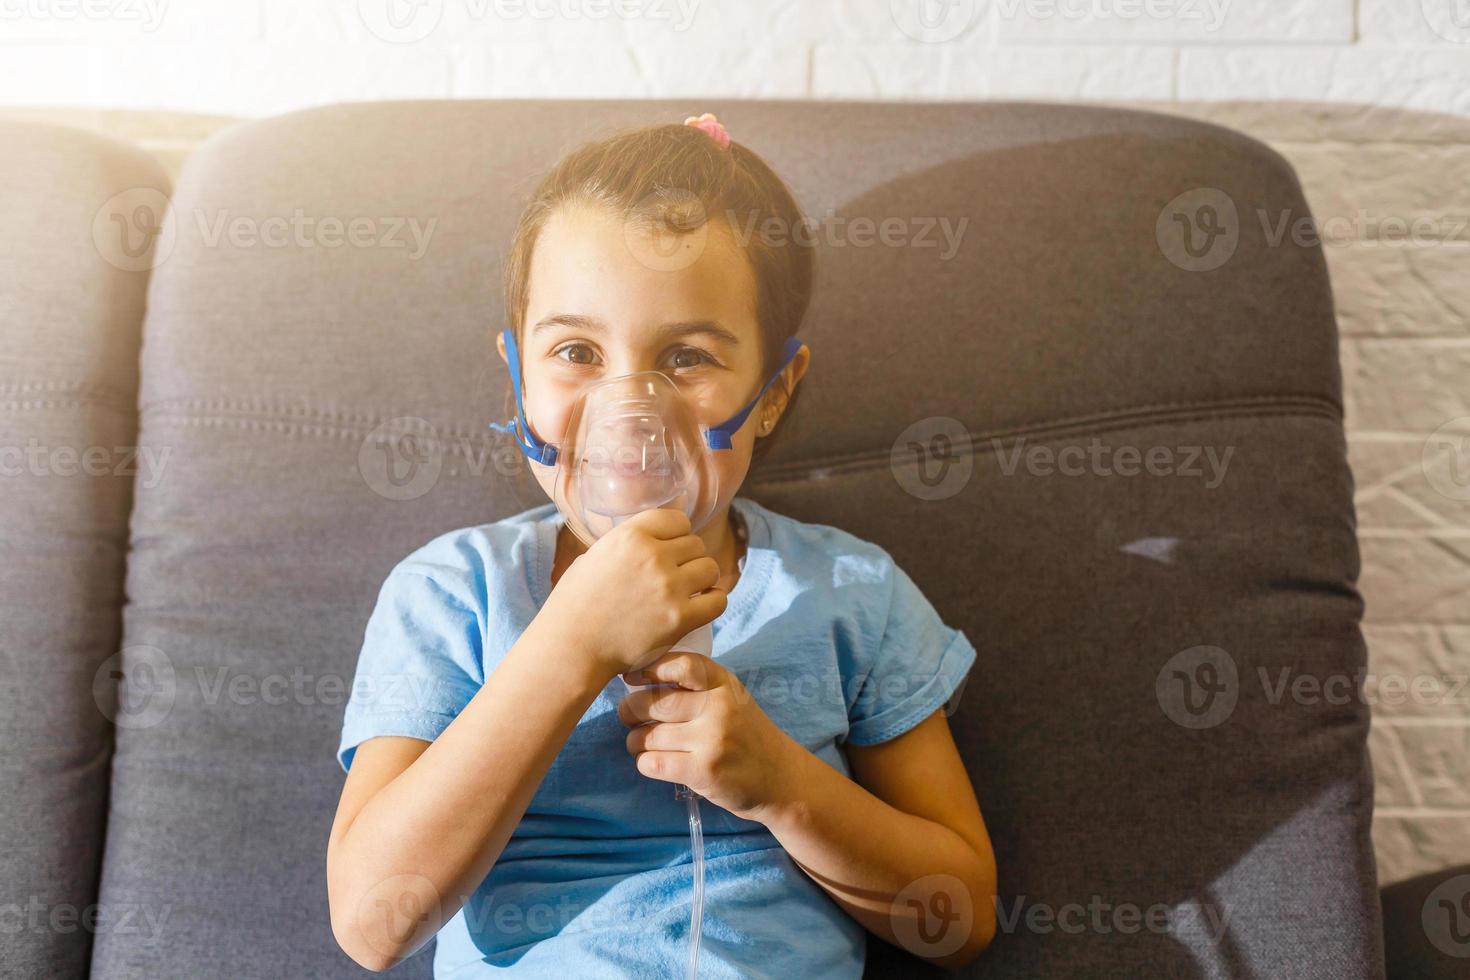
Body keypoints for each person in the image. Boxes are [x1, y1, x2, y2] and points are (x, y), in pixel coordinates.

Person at [326, 111, 996, 978]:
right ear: (517, 376)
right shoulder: (455, 594)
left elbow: (961, 915)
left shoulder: (849, 592)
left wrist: (783, 786)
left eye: (685, 357)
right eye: (576, 351)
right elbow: (373, 924)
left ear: (773, 391)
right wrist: (570, 645)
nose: (628, 408)